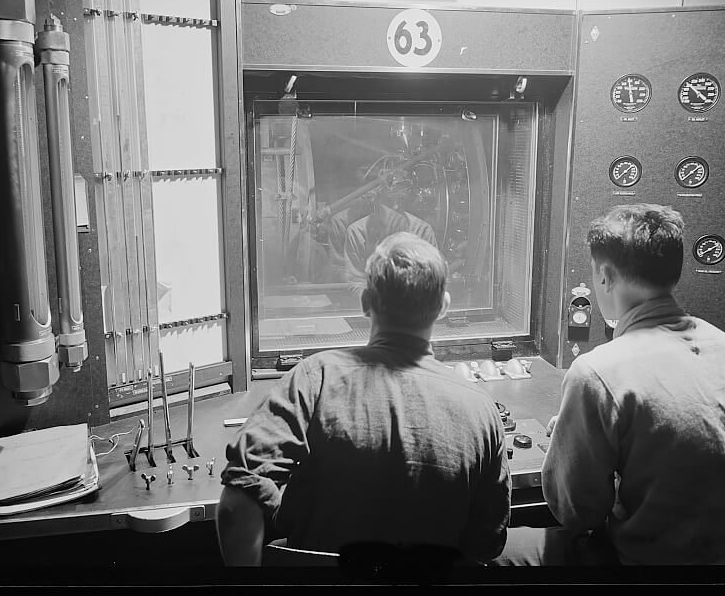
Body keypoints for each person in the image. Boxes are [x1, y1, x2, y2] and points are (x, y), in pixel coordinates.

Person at [498, 203, 725, 566]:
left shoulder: (597, 371)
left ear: (604, 277)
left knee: (490, 552)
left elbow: (576, 512)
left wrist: (569, 439)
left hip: (645, 566)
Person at [216, 232, 510, 566]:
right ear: (443, 306)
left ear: (366, 301)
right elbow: (486, 544)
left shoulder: (315, 378)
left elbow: (236, 504)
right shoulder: (481, 409)